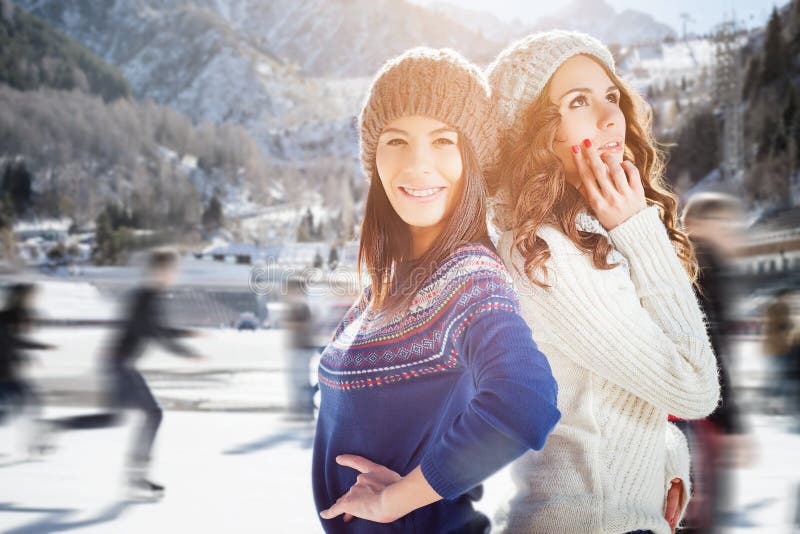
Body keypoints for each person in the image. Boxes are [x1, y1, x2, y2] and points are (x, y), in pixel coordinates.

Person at [312, 48, 561, 533]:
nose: (417, 164)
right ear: (374, 158)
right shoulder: (387, 288)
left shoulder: (467, 277)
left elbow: (525, 400)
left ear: (473, 159)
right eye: (397, 140)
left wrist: (398, 500)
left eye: (444, 140)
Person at [486, 30, 721, 534]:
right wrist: (639, 230)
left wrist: (663, 459)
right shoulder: (546, 256)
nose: (610, 116)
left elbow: (595, 399)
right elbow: (695, 389)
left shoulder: (582, 233)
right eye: (578, 102)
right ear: (536, 134)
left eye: (610, 96)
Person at [48, 249, 204, 497]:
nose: (176, 273)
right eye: (173, 268)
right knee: (153, 414)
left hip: (117, 363)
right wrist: (185, 351)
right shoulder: (146, 297)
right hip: (119, 364)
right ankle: (136, 477)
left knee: (113, 418)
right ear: (160, 270)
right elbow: (155, 332)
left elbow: (157, 329)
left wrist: (184, 335)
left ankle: (53, 426)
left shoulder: (148, 296)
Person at [679, 192, 750, 532]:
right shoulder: (702, 264)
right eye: (725, 224)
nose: (733, 234)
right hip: (698, 416)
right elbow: (710, 346)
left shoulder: (687, 263)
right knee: (698, 513)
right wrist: (731, 423)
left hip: (691, 414)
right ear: (697, 224)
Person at [0, 283, 55, 455]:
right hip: (4, 372)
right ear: (20, 296)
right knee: (18, 408)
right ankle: (36, 444)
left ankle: (36, 444)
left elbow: (13, 342)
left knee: (23, 407)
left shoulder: (16, 314)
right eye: (30, 296)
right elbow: (11, 341)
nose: (33, 300)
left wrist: (28, 356)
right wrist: (40, 347)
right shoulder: (8, 316)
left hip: (11, 371)